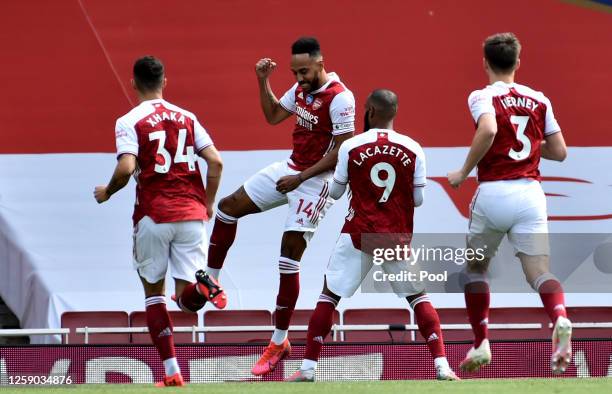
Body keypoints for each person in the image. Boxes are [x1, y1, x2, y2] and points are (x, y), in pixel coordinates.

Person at [204, 37, 356, 376]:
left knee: (288, 258)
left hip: (316, 181)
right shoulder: (301, 88)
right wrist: (263, 81)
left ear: (320, 63)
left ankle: (279, 340)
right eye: (295, 71)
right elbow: (274, 116)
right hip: (292, 168)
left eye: (304, 71)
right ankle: (211, 280)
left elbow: (342, 151)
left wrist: (301, 178)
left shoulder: (340, 97)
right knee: (228, 207)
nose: (299, 77)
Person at [287, 89, 459, 382]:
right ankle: (442, 366)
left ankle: (307, 369)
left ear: (368, 111)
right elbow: (418, 200)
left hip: (358, 233)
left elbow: (338, 191)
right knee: (418, 298)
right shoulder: (413, 148)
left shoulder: (351, 146)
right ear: (395, 112)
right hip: (395, 236)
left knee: (329, 296)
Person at [93, 56, 226, 387]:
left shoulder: (129, 120)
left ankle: (171, 372)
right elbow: (216, 162)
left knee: (155, 294)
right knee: (186, 302)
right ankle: (202, 285)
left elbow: (126, 169)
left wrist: (107, 192)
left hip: (154, 214)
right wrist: (207, 202)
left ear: (133, 83)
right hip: (192, 215)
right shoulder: (188, 117)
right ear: (165, 82)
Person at [447, 32, 571, 374]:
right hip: (530, 194)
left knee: (474, 269)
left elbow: (487, 130)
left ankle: (481, 342)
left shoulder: (481, 96)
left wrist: (463, 171)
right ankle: (560, 316)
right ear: (518, 62)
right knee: (540, 273)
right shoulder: (538, 98)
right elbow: (559, 152)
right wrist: (532, 144)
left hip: (493, 193)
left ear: (485, 62)